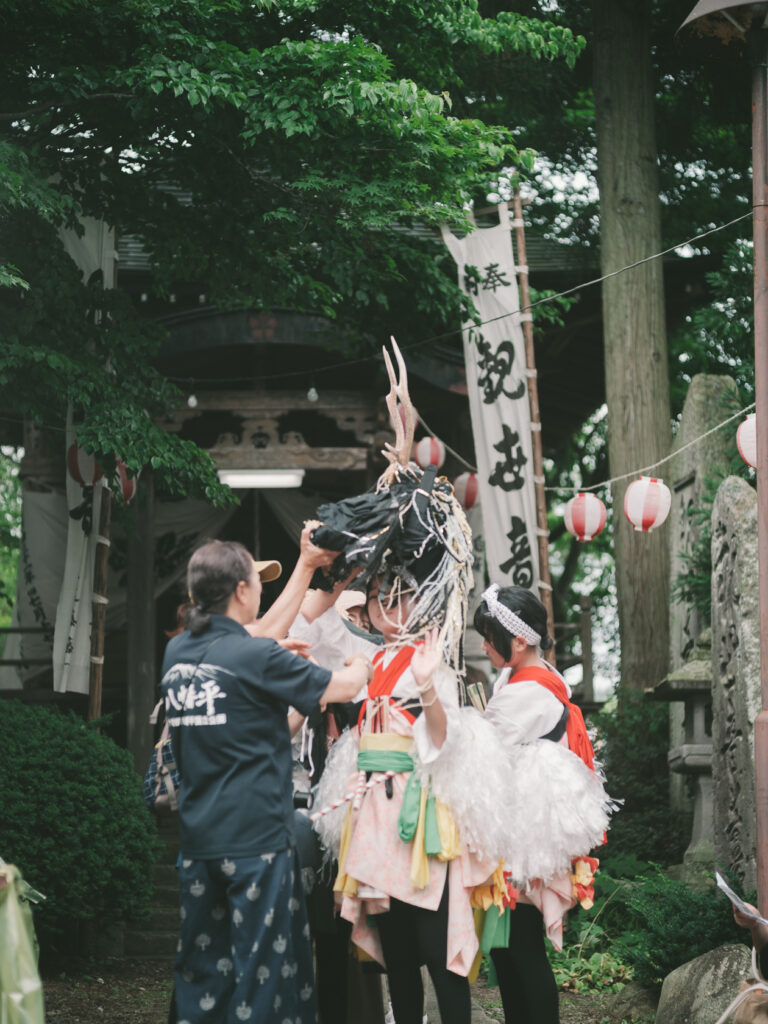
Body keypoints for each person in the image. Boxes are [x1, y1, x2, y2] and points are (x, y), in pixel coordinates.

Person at [161, 538, 374, 1024]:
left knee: (202, 969)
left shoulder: (177, 654)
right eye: (258, 585)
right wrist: (359, 663)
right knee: (265, 973)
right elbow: (343, 688)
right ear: (241, 591)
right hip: (256, 842)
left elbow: (251, 647)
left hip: (198, 843)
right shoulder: (256, 658)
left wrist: (305, 570)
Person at [305, 568, 495, 1024]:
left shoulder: (434, 660)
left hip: (421, 818)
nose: (386, 606)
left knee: (438, 950)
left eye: (399, 595)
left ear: (420, 600)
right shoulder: (373, 657)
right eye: (377, 597)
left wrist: (429, 686)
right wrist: (332, 573)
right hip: (375, 820)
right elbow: (317, 629)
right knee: (399, 957)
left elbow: (444, 740)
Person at [473, 584, 604, 1024]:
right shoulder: (541, 676)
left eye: (490, 636)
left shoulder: (524, 691)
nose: (485, 645)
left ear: (520, 639)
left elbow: (484, 753)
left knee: (519, 948)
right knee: (513, 947)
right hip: (529, 832)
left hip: (520, 837)